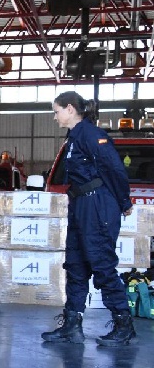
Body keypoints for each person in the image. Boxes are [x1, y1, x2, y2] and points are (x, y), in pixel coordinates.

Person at [41, 91, 135, 346]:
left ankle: (123, 323)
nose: (54, 117)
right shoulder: (74, 139)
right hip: (81, 204)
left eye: (56, 111)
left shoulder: (92, 135)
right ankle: (72, 325)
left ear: (70, 109)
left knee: (102, 264)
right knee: (75, 264)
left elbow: (114, 169)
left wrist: (124, 202)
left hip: (97, 205)